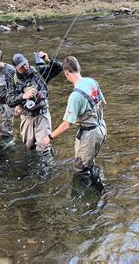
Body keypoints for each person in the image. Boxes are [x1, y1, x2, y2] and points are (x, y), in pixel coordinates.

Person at [44, 56, 107, 192]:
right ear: (79, 68)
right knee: (89, 162)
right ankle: (99, 188)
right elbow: (104, 104)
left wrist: (49, 137)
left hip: (89, 135)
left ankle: (93, 196)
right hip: (101, 128)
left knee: (80, 169)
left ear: (66, 73)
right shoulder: (92, 82)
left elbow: (67, 125)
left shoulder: (75, 96)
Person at [6, 51, 62, 155]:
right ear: (16, 68)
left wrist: (47, 60)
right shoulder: (13, 80)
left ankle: (46, 168)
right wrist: (23, 96)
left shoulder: (39, 73)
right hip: (27, 116)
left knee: (44, 148)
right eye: (21, 66)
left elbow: (59, 68)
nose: (25, 67)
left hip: (42, 115)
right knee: (29, 147)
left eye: (25, 63)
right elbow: (9, 101)